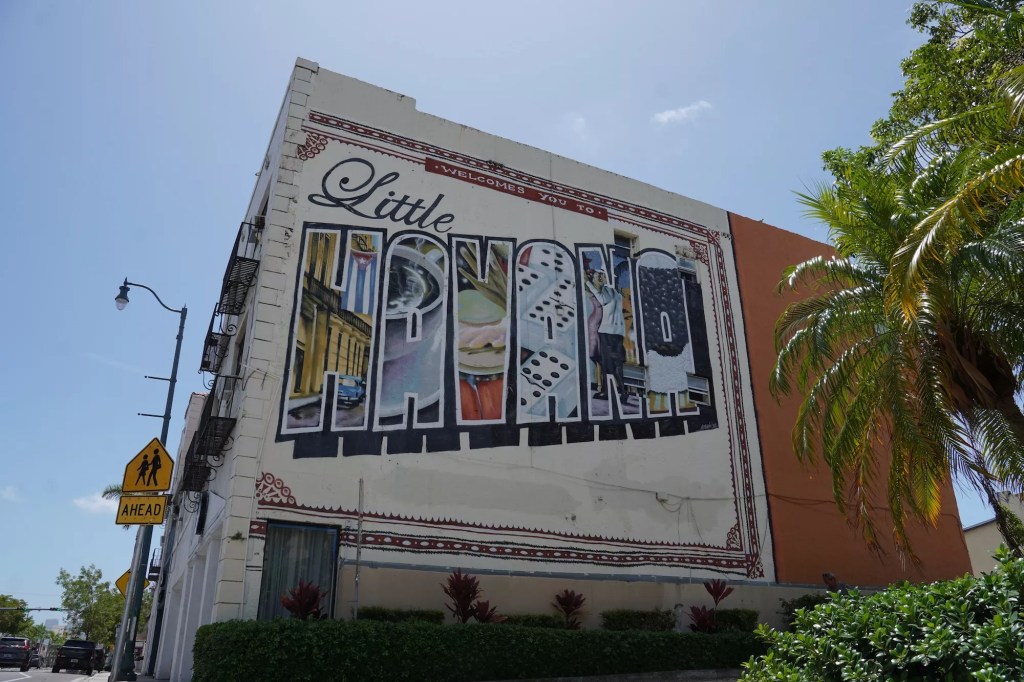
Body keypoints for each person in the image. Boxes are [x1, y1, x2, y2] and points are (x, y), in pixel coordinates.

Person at [585, 270, 627, 402]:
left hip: (608, 331)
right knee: (617, 363)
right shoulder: (618, 293)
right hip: (618, 332)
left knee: (607, 363)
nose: (598, 279)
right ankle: (622, 391)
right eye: (598, 276)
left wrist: (587, 282)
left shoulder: (608, 291)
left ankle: (608, 392)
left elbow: (603, 300)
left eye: (600, 276)